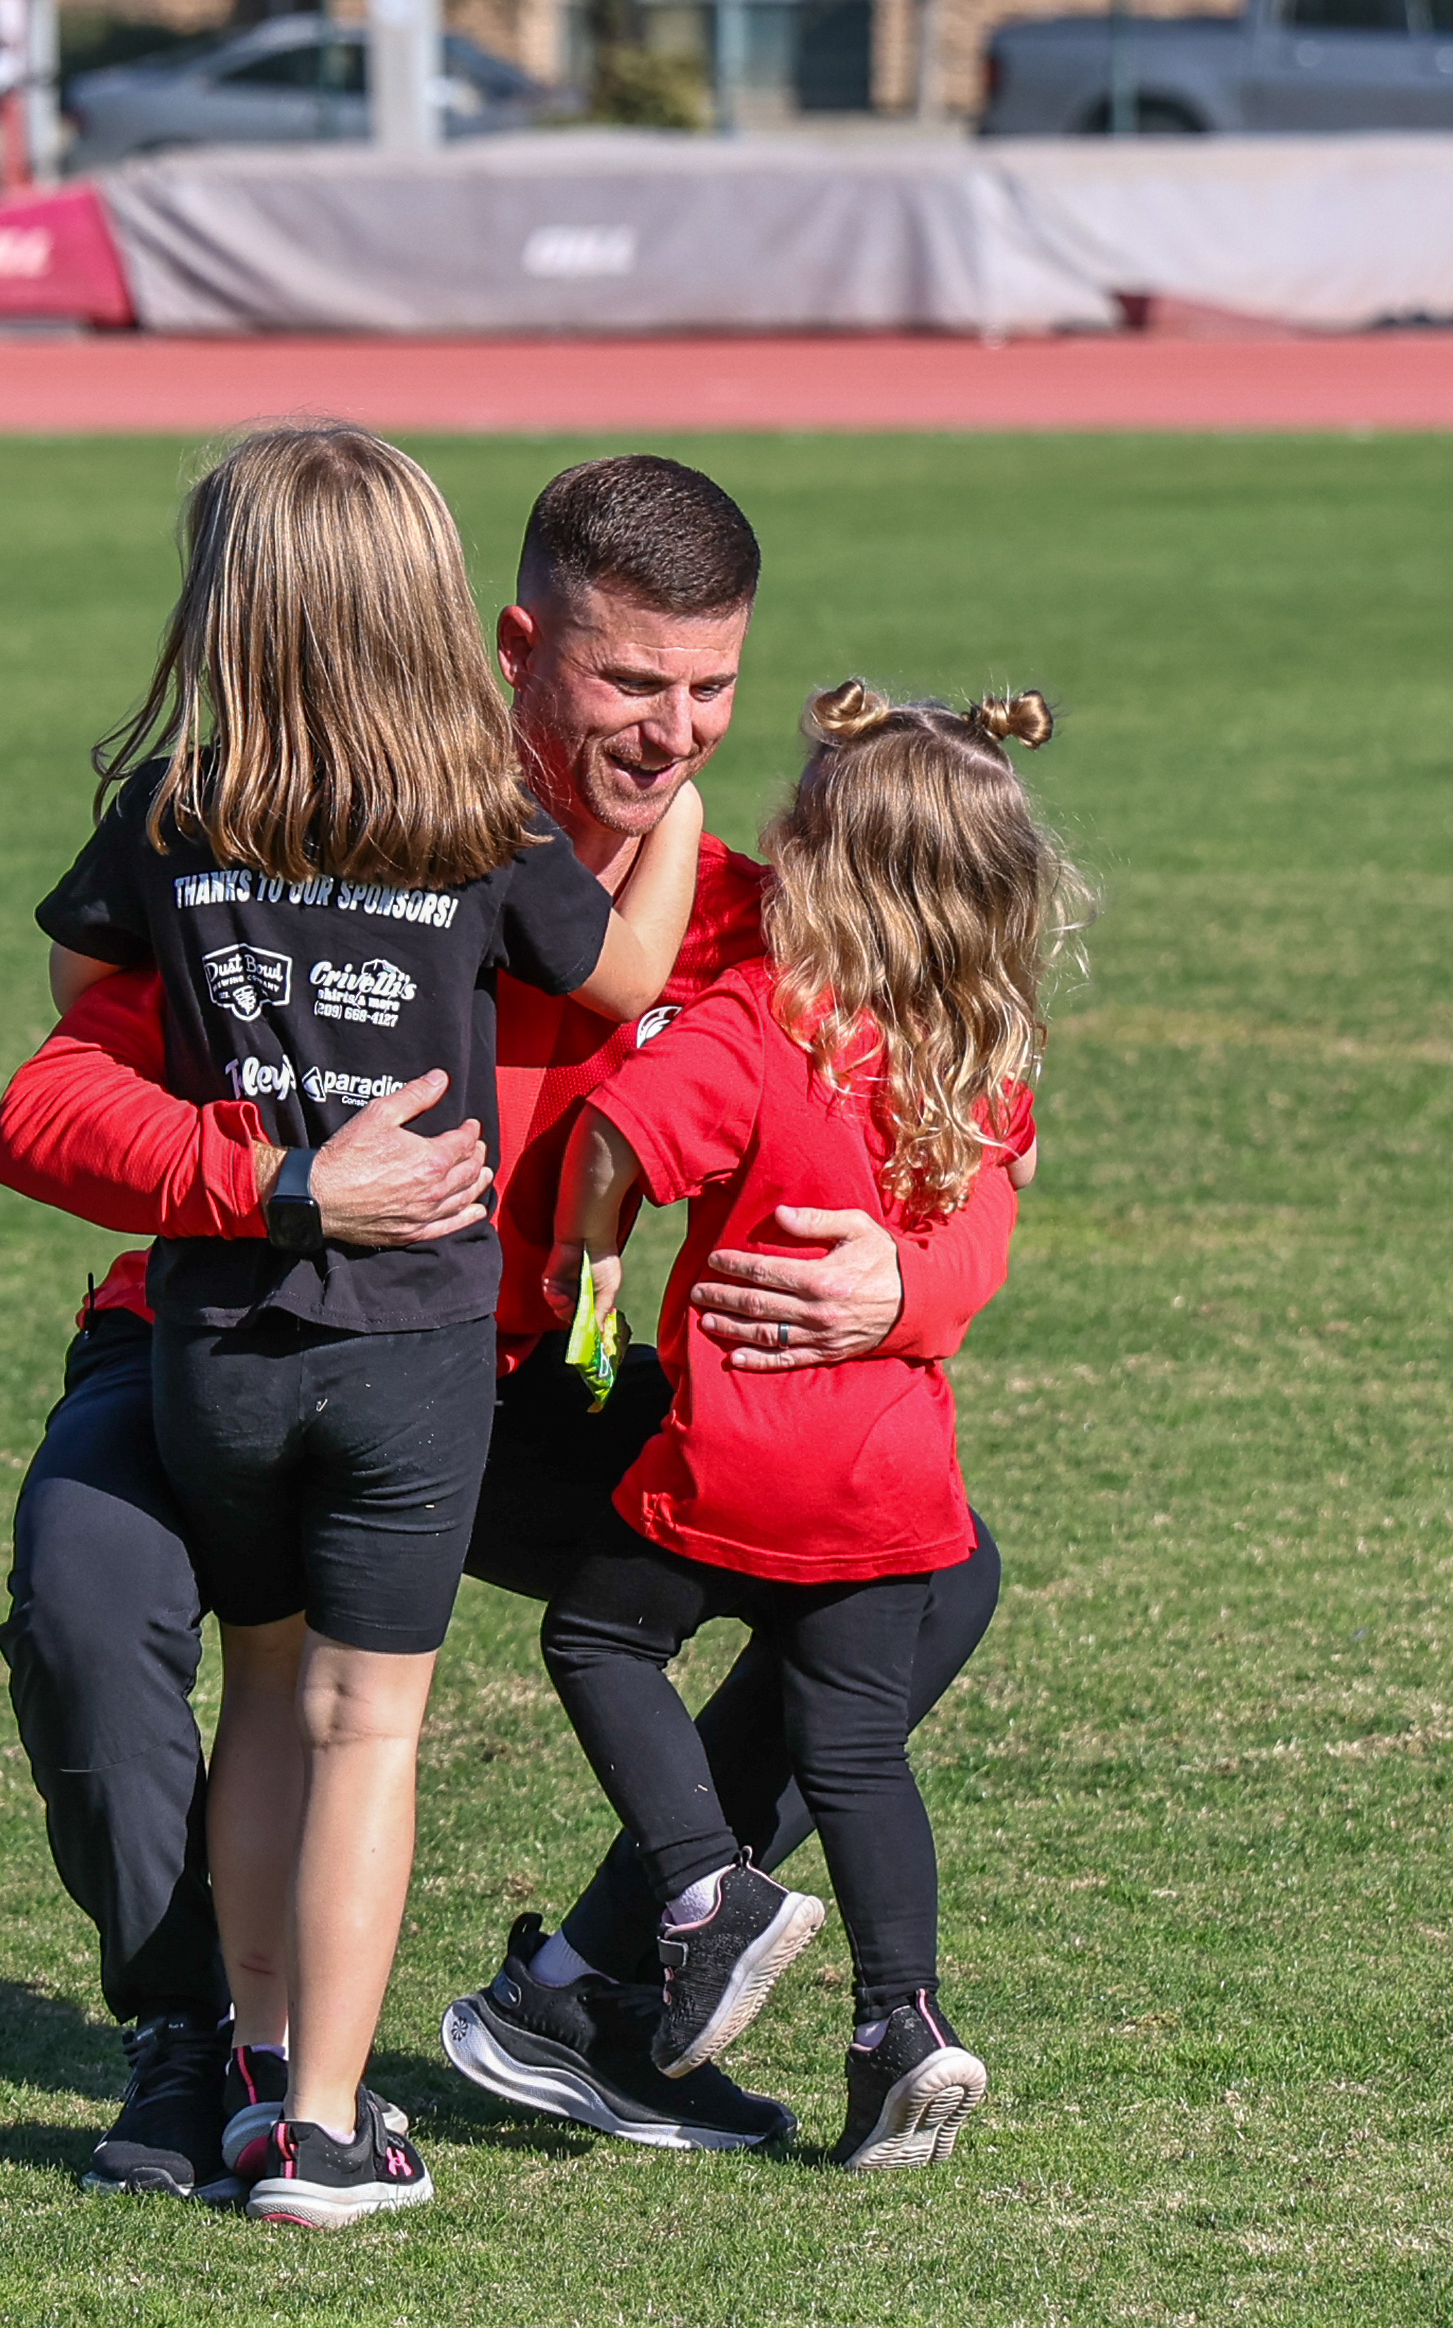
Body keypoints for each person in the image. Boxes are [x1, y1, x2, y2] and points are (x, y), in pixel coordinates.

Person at [0, 456, 1021, 2197]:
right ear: (517, 647)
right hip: (223, 1325)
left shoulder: (756, 923)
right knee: (89, 1615)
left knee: (930, 1573)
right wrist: (280, 1185)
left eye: (712, 688)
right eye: (631, 682)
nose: (676, 731)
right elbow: (46, 1100)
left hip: (512, 1392)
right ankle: (196, 2043)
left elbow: (953, 1129)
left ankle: (600, 1990)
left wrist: (910, 1288)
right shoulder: (312, 823)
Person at [29, 425, 705, 2226]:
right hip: (413, 1339)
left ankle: (247, 2088)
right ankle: (329, 2129)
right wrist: (692, 822)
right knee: (368, 1726)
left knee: (260, 1693)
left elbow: (75, 987)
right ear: (448, 614)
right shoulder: (476, 816)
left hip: (223, 1340)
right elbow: (624, 972)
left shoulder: (178, 810)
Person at [537, 682, 1074, 2169]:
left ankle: (708, 1891)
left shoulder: (761, 1019)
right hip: (897, 1484)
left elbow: (615, 1139)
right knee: (857, 1759)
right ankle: (905, 2023)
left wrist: (587, 1277)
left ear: (820, 859)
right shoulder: (977, 1053)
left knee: (599, 1640)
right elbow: (979, 1225)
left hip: (734, 1457)